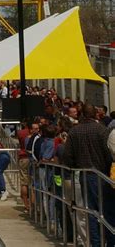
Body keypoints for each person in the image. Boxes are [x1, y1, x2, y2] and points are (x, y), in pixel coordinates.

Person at [62, 103, 114, 247]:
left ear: (81, 114)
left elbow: (68, 157)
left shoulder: (74, 132)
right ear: (95, 114)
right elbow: (108, 154)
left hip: (84, 174)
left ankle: (95, 243)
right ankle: (109, 241)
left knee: (90, 211)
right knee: (106, 210)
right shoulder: (102, 130)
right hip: (102, 174)